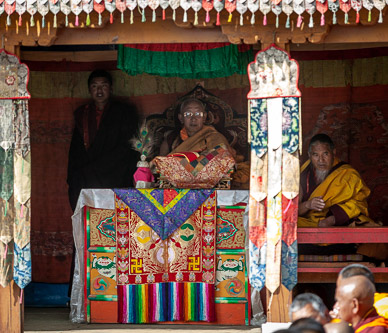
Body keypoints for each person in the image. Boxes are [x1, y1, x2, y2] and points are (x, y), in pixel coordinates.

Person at [67, 69, 139, 211]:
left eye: (103, 86)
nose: (99, 91)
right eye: (94, 86)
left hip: (115, 172)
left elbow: (128, 145)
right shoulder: (82, 114)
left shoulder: (124, 112)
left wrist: (101, 166)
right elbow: (76, 149)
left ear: (111, 88)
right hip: (88, 175)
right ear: (89, 90)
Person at [298, 133, 373, 227]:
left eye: (325, 154)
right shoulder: (304, 172)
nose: (321, 160)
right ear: (309, 155)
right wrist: (308, 205)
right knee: (287, 225)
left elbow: (359, 204)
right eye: (315, 155)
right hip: (310, 223)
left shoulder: (348, 175)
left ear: (333, 152)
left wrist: (333, 219)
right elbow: (292, 210)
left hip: (341, 222)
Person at [159, 97, 235, 156]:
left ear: (204, 117)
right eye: (188, 114)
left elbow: (224, 160)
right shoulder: (171, 139)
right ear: (181, 118)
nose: (193, 119)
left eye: (198, 114)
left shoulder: (215, 137)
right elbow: (161, 164)